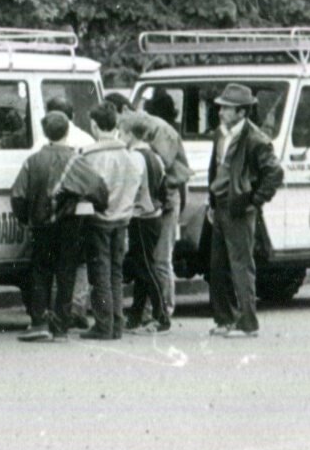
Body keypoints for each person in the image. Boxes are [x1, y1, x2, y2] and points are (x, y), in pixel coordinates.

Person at [202, 83, 283, 339]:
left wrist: (254, 201)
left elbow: (274, 173)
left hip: (239, 207)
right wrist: (212, 202)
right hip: (221, 205)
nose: (221, 112)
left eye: (227, 108)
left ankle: (248, 323)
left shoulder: (256, 139)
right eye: (222, 107)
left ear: (242, 112)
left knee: (241, 266)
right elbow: (215, 170)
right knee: (217, 266)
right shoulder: (221, 134)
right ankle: (225, 318)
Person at [11, 110, 91, 342]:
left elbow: (18, 195)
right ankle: (61, 327)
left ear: (45, 133)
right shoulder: (77, 160)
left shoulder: (33, 161)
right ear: (68, 130)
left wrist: (26, 218)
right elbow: (98, 189)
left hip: (41, 225)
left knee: (40, 271)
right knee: (66, 273)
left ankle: (39, 322)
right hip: (71, 225)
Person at [78, 103, 147, 340]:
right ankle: (117, 322)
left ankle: (103, 324)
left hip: (99, 219)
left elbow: (86, 189)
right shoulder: (129, 155)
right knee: (116, 273)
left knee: (99, 275)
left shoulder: (90, 156)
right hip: (122, 219)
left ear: (94, 126)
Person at [120, 99, 190, 326]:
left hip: (162, 201)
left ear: (125, 111)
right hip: (157, 201)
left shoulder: (159, 131)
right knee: (148, 261)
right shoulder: (146, 131)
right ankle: (142, 313)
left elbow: (161, 169)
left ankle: (163, 311)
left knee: (159, 260)